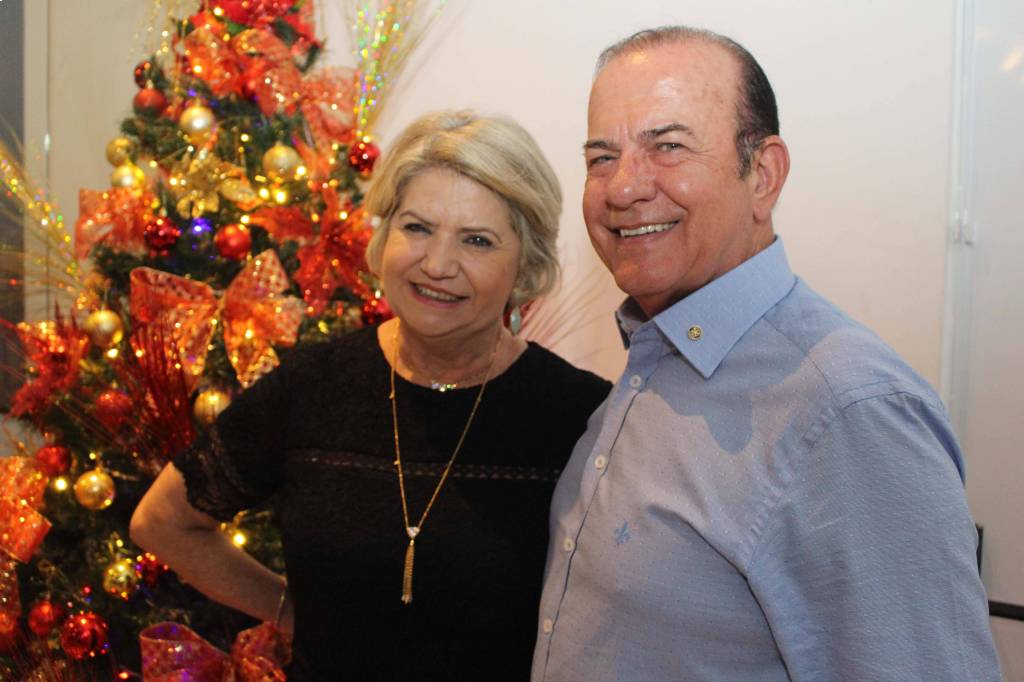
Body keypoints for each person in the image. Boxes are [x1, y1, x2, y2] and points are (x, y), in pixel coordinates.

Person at [532, 26, 1001, 681]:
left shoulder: (850, 411)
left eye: (668, 146)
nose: (622, 187)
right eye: (601, 158)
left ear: (763, 174)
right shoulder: (655, 359)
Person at [130, 109, 610, 681]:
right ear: (384, 239)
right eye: (417, 228)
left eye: (477, 240)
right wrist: (289, 611)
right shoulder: (312, 386)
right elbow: (162, 521)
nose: (437, 264)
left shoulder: (578, 416)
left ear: (525, 266)